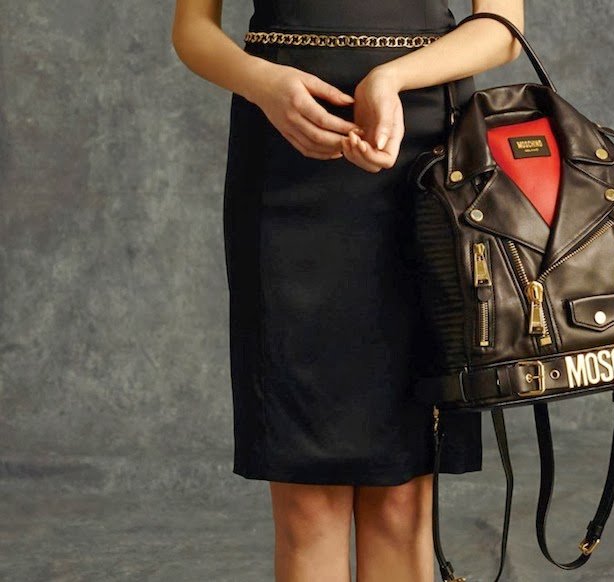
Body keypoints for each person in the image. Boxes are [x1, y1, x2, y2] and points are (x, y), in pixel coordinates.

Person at [171, 1, 523, 580]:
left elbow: (502, 30)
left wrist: (391, 77)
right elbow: (192, 30)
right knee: (306, 501)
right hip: (282, 151)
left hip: (421, 157)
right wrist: (263, 82)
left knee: (402, 498)